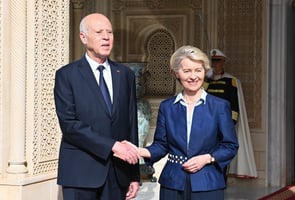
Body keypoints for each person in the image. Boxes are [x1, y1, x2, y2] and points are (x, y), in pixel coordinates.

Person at [54, 13, 140, 200]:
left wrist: (134, 175)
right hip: (80, 172)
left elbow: (131, 124)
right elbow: (69, 125)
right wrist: (113, 146)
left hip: (118, 173)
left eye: (109, 32)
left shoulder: (125, 75)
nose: (106, 37)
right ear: (83, 37)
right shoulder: (67, 75)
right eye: (99, 32)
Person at [139, 45, 239, 200]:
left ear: (205, 72)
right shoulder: (167, 107)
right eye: (187, 71)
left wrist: (207, 158)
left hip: (208, 183)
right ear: (176, 73)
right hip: (173, 183)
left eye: (198, 70)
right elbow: (161, 145)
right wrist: (139, 151)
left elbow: (230, 146)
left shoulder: (219, 106)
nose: (193, 76)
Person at [205, 49, 257, 179]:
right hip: (206, 123)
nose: (214, 64)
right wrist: (207, 78)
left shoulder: (231, 81)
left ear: (223, 63)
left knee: (222, 152)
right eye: (212, 61)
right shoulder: (206, 81)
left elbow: (234, 104)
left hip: (223, 123)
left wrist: (231, 123)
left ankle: (221, 177)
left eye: (217, 61)